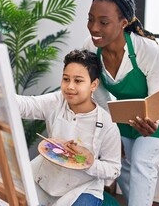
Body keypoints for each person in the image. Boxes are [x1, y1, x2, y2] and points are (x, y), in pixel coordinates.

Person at [83, 0, 159, 206]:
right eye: (90, 19)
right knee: (120, 158)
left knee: (142, 160)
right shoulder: (91, 48)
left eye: (103, 22)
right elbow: (102, 97)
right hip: (130, 108)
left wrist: (154, 121)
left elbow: (158, 98)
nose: (94, 28)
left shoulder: (147, 50)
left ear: (123, 23)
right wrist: (110, 135)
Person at [15, 49, 121, 205]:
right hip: (45, 176)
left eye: (78, 81)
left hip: (83, 186)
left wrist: (86, 162)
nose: (70, 86)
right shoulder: (56, 101)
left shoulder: (107, 124)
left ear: (93, 84)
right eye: (66, 79)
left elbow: (114, 169)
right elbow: (26, 105)